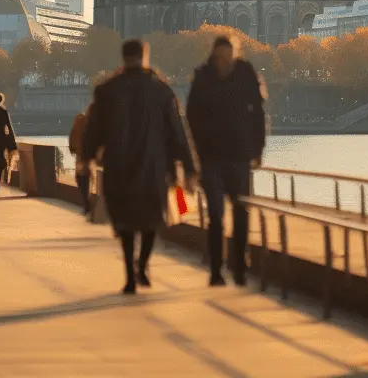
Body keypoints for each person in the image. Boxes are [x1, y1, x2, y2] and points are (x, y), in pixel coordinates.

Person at [82, 39, 195, 295]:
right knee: (150, 220)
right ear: (144, 56)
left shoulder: (107, 90)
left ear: (124, 58)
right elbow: (177, 133)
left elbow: (93, 130)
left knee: (124, 223)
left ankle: (130, 275)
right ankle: (142, 264)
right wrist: (188, 168)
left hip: (118, 167)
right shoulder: (162, 91)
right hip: (153, 168)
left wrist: (86, 158)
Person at [186, 35, 268, 287]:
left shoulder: (246, 73)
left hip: (240, 155)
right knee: (216, 215)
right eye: (222, 55)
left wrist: (257, 149)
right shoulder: (203, 76)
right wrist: (198, 151)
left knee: (241, 212)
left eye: (229, 54)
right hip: (212, 157)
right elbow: (192, 117)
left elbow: (259, 114)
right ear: (215, 55)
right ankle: (216, 270)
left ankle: (240, 266)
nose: (226, 60)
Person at [68, 104, 93, 214]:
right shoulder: (89, 124)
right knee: (86, 178)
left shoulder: (78, 123)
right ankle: (88, 203)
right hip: (86, 156)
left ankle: (87, 203)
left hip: (80, 156)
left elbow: (71, 138)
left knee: (80, 178)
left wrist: (72, 149)